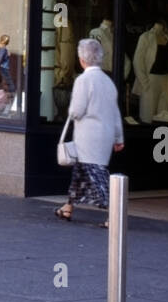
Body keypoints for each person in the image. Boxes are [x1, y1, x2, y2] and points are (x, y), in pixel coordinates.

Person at [54, 38, 125, 224]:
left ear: (81, 59)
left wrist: (69, 112)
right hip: (105, 136)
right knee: (81, 173)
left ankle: (114, 214)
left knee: (96, 175)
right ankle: (68, 207)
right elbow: (115, 111)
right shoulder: (108, 82)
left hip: (88, 136)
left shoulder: (83, 80)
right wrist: (118, 137)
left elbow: (77, 110)